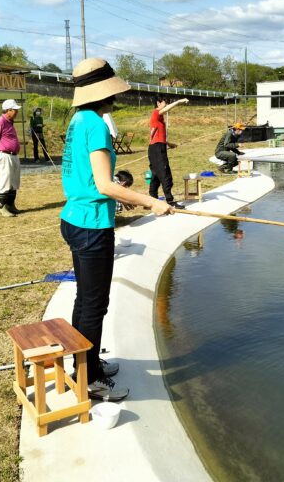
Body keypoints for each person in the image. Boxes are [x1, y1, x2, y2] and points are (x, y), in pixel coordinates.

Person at [61, 57, 174, 402]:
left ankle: (86, 362)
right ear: (104, 92)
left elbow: (92, 180)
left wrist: (122, 197)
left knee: (86, 299)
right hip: (92, 225)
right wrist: (149, 201)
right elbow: (105, 184)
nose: (116, 97)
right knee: (96, 304)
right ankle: (89, 379)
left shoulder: (78, 120)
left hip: (75, 218)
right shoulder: (94, 124)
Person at [148, 96, 189, 209]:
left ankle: (153, 200)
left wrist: (168, 144)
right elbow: (166, 110)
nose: (165, 106)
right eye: (164, 104)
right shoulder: (156, 113)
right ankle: (170, 201)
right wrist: (179, 101)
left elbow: (156, 136)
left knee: (156, 174)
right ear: (158, 103)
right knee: (165, 174)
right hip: (157, 149)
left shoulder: (158, 118)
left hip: (155, 147)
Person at [0, 98, 22, 217]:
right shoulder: (0, 121)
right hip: (4, 155)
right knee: (4, 181)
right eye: (14, 110)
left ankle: (11, 205)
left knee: (13, 182)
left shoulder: (10, 122)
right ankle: (2, 207)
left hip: (13, 155)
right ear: (8, 110)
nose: (16, 112)